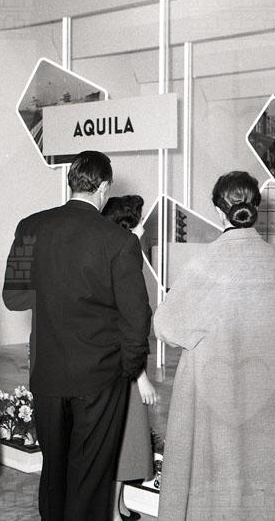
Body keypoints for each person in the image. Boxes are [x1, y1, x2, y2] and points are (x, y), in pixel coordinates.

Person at [3, 150, 152, 521]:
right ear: (103, 187)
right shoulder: (119, 242)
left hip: (48, 372)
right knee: (91, 478)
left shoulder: (30, 227)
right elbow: (137, 318)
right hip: (100, 377)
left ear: (72, 182)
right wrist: (129, 367)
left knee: (54, 472)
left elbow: (13, 297)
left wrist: (53, 292)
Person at [154, 171, 275, 521]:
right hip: (266, 391)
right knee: (262, 475)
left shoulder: (204, 264)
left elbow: (165, 325)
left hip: (211, 391)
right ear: (257, 208)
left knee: (212, 480)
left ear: (218, 211)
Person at [101, 195, 157, 521]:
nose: (144, 228)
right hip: (125, 365)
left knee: (126, 437)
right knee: (125, 440)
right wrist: (141, 376)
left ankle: (119, 504)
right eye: (139, 222)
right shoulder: (125, 256)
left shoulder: (113, 254)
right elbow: (128, 323)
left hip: (120, 362)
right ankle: (112, 511)